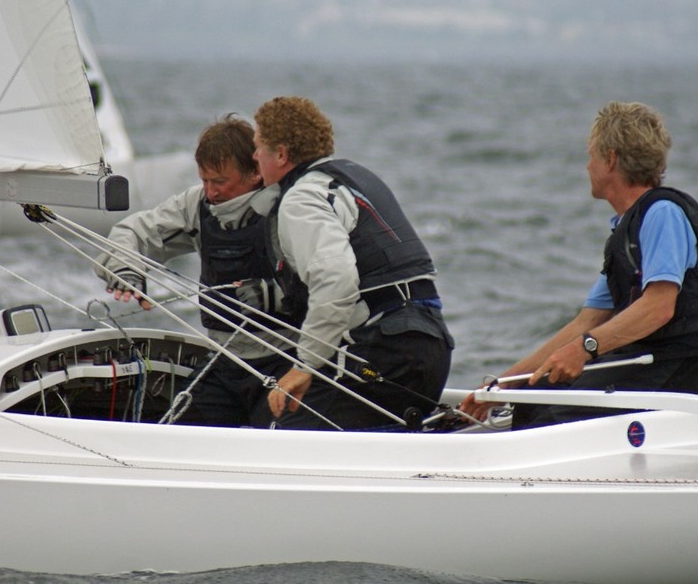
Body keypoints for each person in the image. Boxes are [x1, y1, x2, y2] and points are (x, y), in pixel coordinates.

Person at [461, 101, 698, 429]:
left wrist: (586, 349)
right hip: (650, 360)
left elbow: (659, 307)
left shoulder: (662, 215)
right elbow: (588, 321)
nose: (587, 166)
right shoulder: (627, 231)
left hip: (683, 365)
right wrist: (506, 384)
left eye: (591, 155)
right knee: (535, 397)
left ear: (610, 159)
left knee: (555, 420)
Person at [252, 96, 454, 431]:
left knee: (280, 430)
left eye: (259, 146)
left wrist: (305, 365)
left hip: (389, 347)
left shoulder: (301, 198)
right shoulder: (354, 176)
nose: (254, 155)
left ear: (282, 154)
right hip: (432, 343)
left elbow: (336, 281)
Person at [95, 114, 296, 427]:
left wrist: (274, 295)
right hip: (224, 358)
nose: (210, 192)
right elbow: (132, 231)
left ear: (255, 172)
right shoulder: (197, 204)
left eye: (220, 182)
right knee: (172, 433)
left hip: (285, 359)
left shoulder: (290, 210)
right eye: (204, 180)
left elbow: (331, 283)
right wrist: (127, 270)